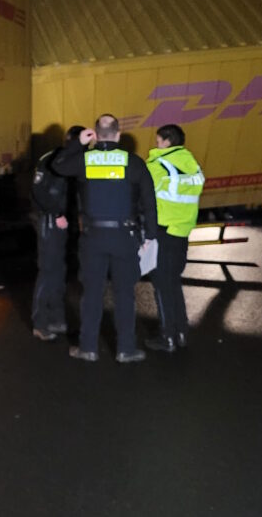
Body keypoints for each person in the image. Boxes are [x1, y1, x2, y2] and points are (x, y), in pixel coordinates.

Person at [52, 114, 158, 363]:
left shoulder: (84, 160)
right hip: (125, 236)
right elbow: (149, 203)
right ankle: (126, 349)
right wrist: (150, 236)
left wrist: (77, 142)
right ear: (118, 135)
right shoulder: (133, 163)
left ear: (96, 135)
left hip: (93, 237)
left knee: (92, 293)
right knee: (124, 294)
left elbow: (57, 165)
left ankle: (88, 348)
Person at [144, 123, 204, 352]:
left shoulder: (158, 165)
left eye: (159, 140)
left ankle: (167, 337)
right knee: (173, 283)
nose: (156, 144)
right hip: (182, 231)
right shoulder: (192, 165)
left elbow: (140, 191)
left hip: (164, 231)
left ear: (167, 141)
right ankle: (181, 332)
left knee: (161, 285)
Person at [30, 126, 82, 341]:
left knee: (60, 272)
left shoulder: (77, 159)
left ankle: (57, 318)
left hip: (67, 222)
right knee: (48, 271)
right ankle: (40, 323)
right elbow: (39, 190)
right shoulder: (52, 159)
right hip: (52, 221)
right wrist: (56, 213)